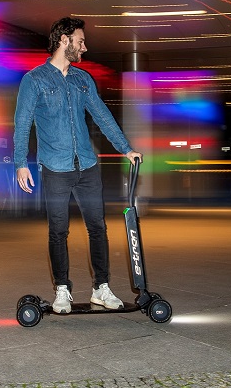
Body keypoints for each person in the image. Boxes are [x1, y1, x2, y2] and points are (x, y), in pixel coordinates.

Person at [13, 17, 142, 314]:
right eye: (80, 41)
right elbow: (22, 124)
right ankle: (62, 289)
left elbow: (102, 115)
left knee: (98, 228)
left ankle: (102, 287)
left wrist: (125, 148)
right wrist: (21, 163)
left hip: (87, 167)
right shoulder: (34, 80)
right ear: (64, 41)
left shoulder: (83, 80)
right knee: (58, 231)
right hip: (56, 169)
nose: (85, 46)